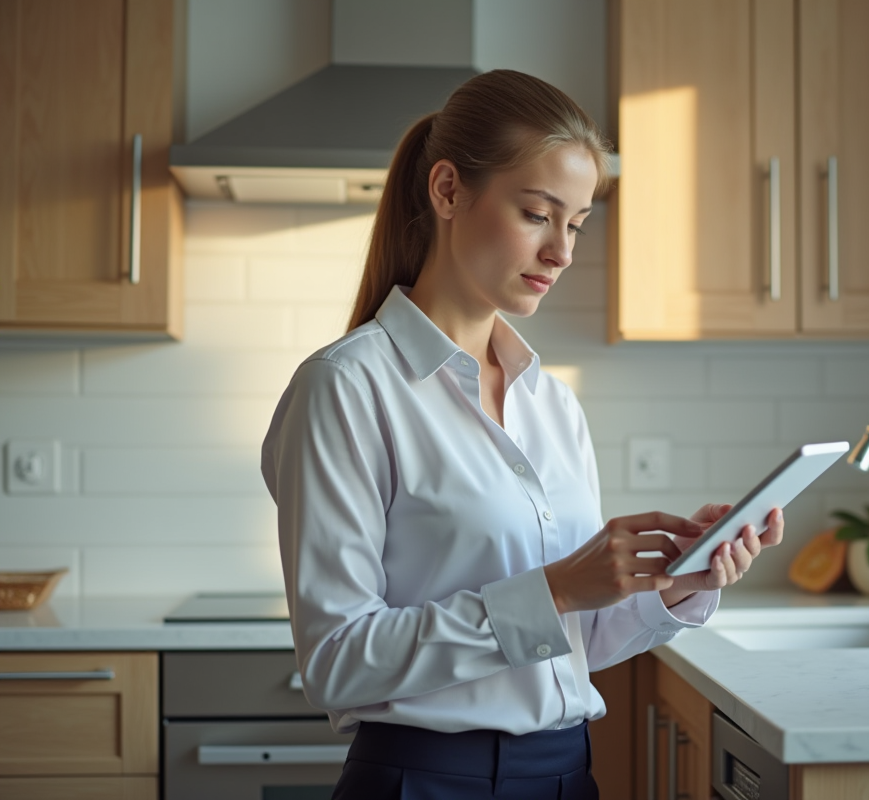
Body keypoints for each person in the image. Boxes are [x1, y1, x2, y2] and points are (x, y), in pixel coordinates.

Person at [260, 69, 784, 800]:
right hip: (425, 782)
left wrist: (673, 587)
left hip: (566, 776)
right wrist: (557, 589)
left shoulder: (553, 405)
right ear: (448, 191)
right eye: (538, 213)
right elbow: (341, 660)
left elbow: (575, 643)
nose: (562, 252)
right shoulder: (346, 388)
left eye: (575, 224)